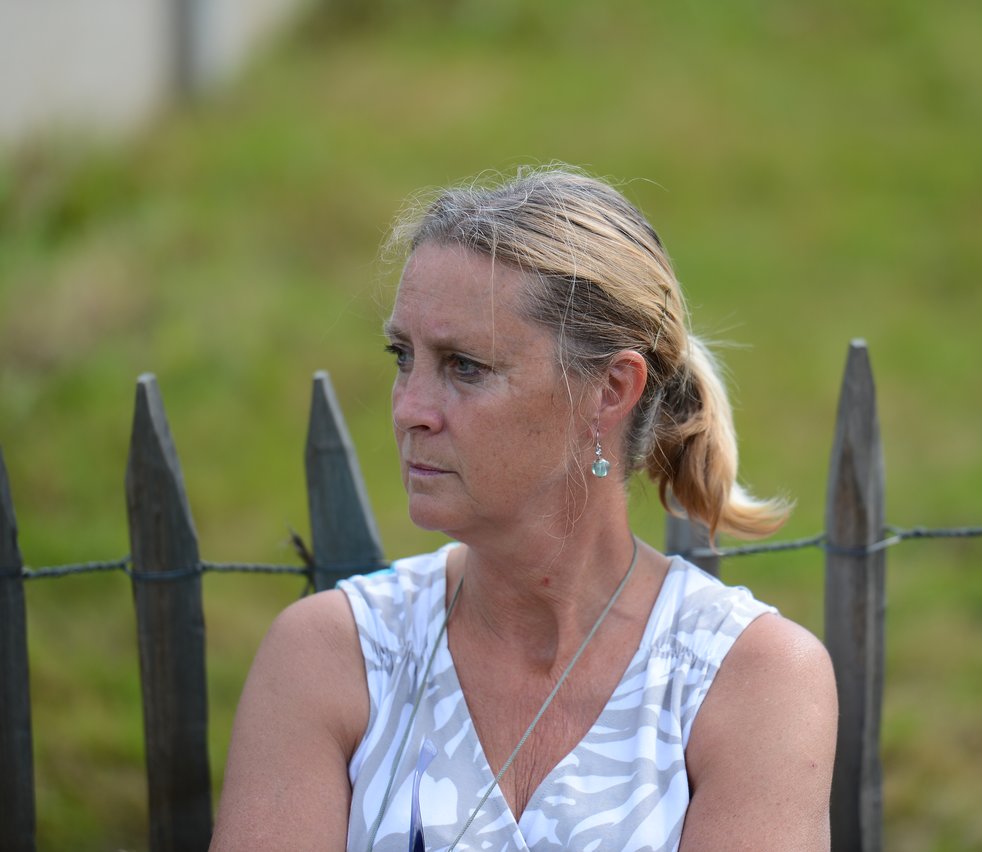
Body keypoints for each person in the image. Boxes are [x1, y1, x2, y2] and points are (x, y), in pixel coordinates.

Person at [210, 167, 837, 851]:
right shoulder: (339, 655)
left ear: (610, 390)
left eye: (465, 366)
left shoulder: (747, 679)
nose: (410, 409)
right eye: (403, 356)